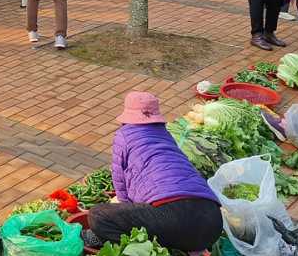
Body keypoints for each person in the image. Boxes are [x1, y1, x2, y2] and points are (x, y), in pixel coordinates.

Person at [81, 92, 222, 253]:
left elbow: (119, 180)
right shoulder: (165, 134)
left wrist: (126, 215)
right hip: (213, 221)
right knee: (172, 228)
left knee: (98, 216)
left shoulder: (124, 134)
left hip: (176, 218)